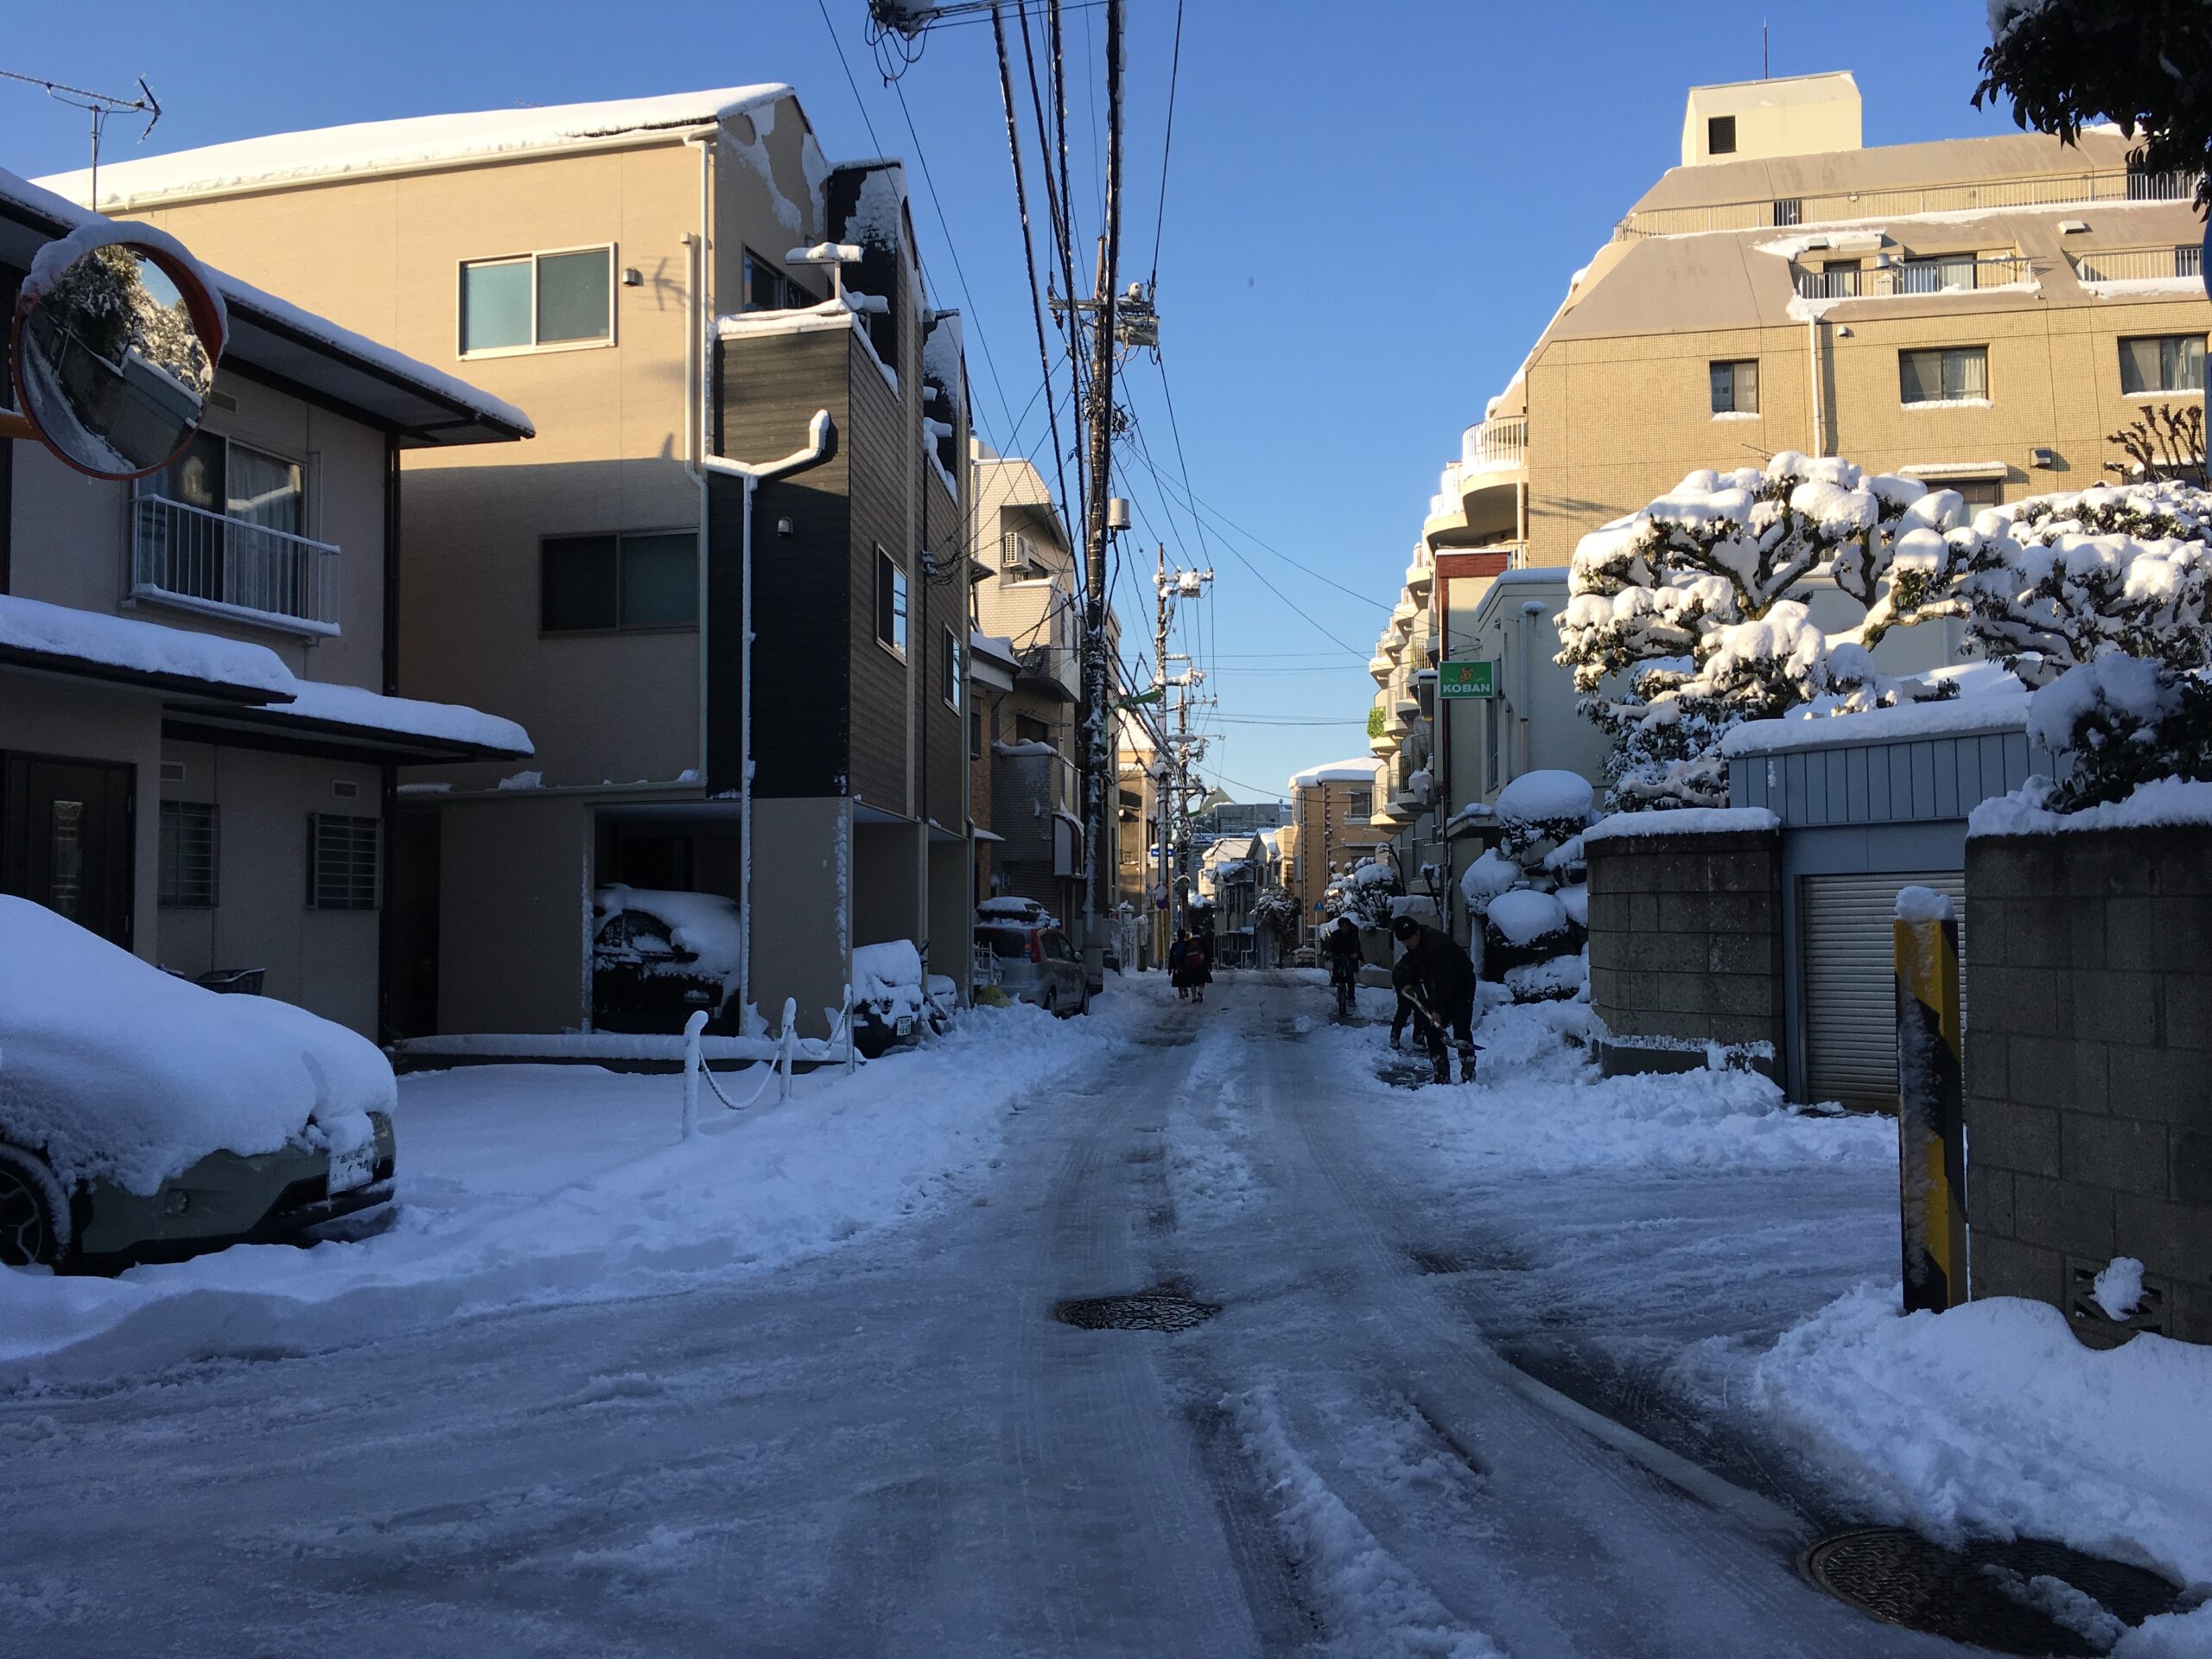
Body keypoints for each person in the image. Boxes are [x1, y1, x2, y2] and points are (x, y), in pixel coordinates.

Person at [1389, 913, 1479, 1084]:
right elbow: (1418, 964)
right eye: (1404, 942)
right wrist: (1412, 982)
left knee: (1461, 1026)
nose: (1407, 944)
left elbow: (1444, 981)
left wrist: (1437, 1010)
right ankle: (1441, 1073)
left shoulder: (1436, 946)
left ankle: (1468, 1070)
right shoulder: (1415, 943)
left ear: (1417, 933)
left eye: (1408, 940)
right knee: (1432, 1029)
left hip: (1461, 984)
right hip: (1440, 985)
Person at [1323, 915, 1363, 1012]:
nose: (1344, 928)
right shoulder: (1336, 934)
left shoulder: (1353, 934)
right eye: (1342, 926)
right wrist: (1329, 952)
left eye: (1346, 926)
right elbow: (1330, 945)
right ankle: (1334, 979)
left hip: (1350, 956)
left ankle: (1351, 998)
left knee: (1350, 976)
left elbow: (1357, 945)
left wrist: (1356, 954)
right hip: (1338, 954)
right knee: (1337, 967)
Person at [1184, 931, 1213, 1004]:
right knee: (1202, 980)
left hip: (1191, 966)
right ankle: (1200, 991)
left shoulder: (1188, 942)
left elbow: (1184, 955)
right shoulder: (1203, 942)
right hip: (1202, 965)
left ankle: (1194, 997)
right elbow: (1209, 953)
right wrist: (1209, 964)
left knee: (1192, 982)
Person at [1168, 930, 1191, 1001]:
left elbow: (1171, 957)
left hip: (1176, 965)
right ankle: (1185, 988)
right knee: (1185, 978)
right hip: (1185, 964)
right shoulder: (1187, 944)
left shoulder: (1174, 945)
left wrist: (1170, 968)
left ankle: (1181, 994)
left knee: (1178, 980)